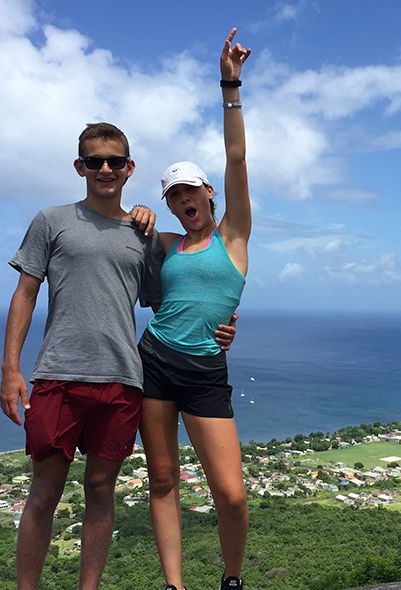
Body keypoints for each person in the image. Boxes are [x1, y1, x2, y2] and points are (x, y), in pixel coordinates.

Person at [0, 122, 235, 590]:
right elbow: (25, 293)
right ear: (79, 167)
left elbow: (173, 298)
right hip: (59, 376)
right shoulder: (52, 220)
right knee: (43, 493)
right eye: (94, 161)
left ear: (130, 168)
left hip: (125, 380)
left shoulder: (143, 233)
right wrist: (11, 369)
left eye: (113, 161)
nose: (104, 169)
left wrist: (222, 325)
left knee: (100, 490)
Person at [132, 27, 252, 590]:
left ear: (209, 193)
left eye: (191, 193)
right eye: (173, 197)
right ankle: (173, 585)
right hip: (153, 360)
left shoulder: (235, 237)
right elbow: (113, 231)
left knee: (230, 491)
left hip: (205, 370)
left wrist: (229, 83)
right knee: (162, 480)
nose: (185, 203)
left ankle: (231, 579)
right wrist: (135, 211)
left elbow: (237, 157)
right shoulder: (166, 244)